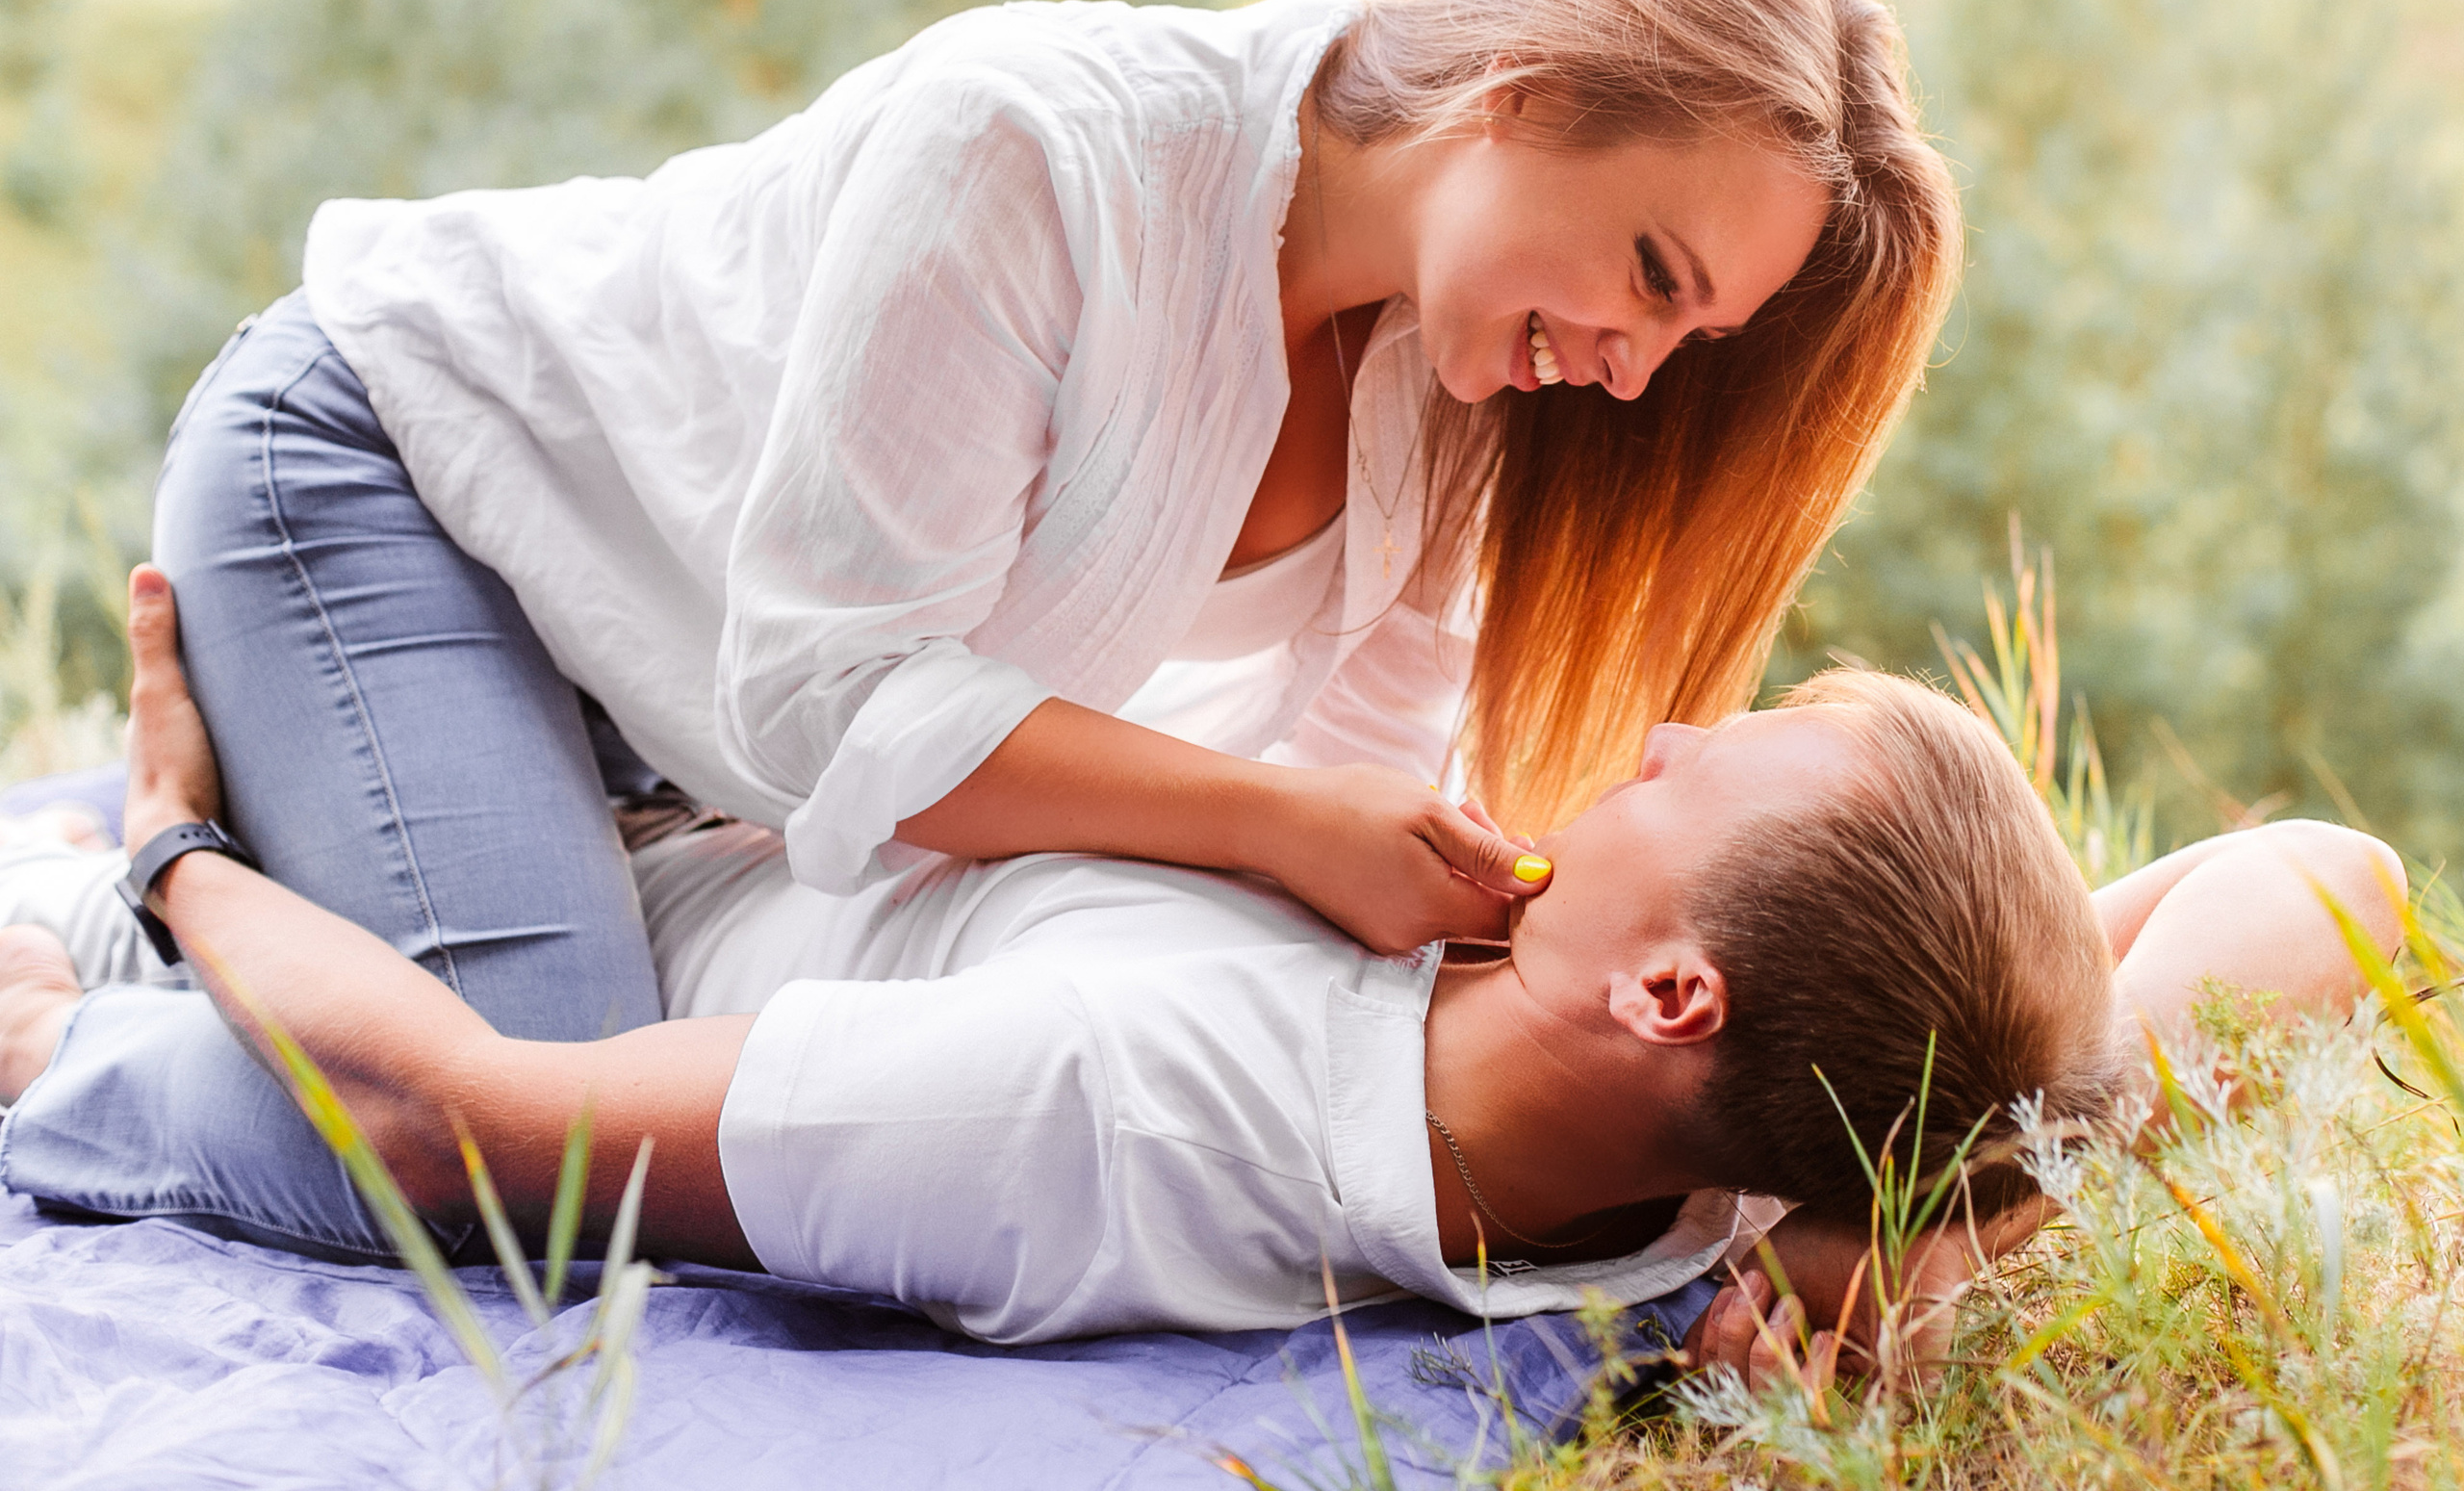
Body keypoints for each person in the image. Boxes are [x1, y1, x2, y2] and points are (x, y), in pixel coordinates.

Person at [2, 0, 1963, 1265]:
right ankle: (101, 950)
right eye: (1646, 277)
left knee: (638, 1097)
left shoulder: (1455, 391)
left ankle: (307, 854)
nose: (1629, 369)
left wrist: (1759, 1208)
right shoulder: (1041, 147)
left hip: (659, 708)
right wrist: (1281, 824)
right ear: (1523, 89)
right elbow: (828, 704)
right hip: (396, 478)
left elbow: (1353, 799)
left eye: (1679, 342)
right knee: (519, 1163)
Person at [0, 572, 2402, 1362]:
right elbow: (2328, 876)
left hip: (518, 852)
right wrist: (1931, 1234)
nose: (1657, 724)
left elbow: (446, 1119)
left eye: (1706, 764)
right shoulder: (1706, 1167)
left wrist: (182, 837)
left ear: (1669, 990)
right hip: (738, 727)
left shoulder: (1107, 1096)